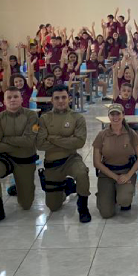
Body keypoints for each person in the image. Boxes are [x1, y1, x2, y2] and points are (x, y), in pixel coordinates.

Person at [0, 86, 40, 227]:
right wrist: (18, 142)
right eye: (9, 97)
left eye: (16, 97)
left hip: (25, 160)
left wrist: (6, 139)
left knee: (26, 205)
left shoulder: (31, 116)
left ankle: (18, 188)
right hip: (5, 159)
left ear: (21, 99)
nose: (13, 100)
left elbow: (29, 142)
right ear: (4, 101)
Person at [37, 85, 91, 222]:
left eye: (63, 97)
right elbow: (40, 144)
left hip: (71, 159)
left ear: (69, 98)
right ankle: (67, 187)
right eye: (57, 98)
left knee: (82, 172)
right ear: (52, 100)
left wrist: (52, 138)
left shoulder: (77, 118)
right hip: (52, 163)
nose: (60, 101)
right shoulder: (44, 119)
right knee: (53, 206)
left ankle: (83, 208)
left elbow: (79, 142)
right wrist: (67, 141)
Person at [92, 104, 138, 218]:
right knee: (106, 213)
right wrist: (115, 178)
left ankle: (120, 194)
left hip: (126, 171)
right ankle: (107, 194)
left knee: (124, 200)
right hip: (107, 173)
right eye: (112, 114)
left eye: (118, 114)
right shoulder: (102, 135)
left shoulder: (131, 134)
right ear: (109, 116)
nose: (115, 117)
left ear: (123, 115)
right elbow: (96, 162)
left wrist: (128, 175)